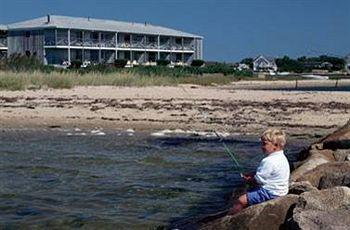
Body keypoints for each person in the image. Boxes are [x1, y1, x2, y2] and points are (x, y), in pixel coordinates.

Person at [228, 128, 290, 215]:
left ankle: (229, 218)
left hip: (271, 193)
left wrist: (248, 179)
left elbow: (258, 180)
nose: (262, 146)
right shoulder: (282, 157)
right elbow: (266, 174)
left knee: (241, 200)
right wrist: (252, 175)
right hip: (281, 190)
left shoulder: (268, 161)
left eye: (264, 144)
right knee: (250, 191)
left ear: (275, 146)